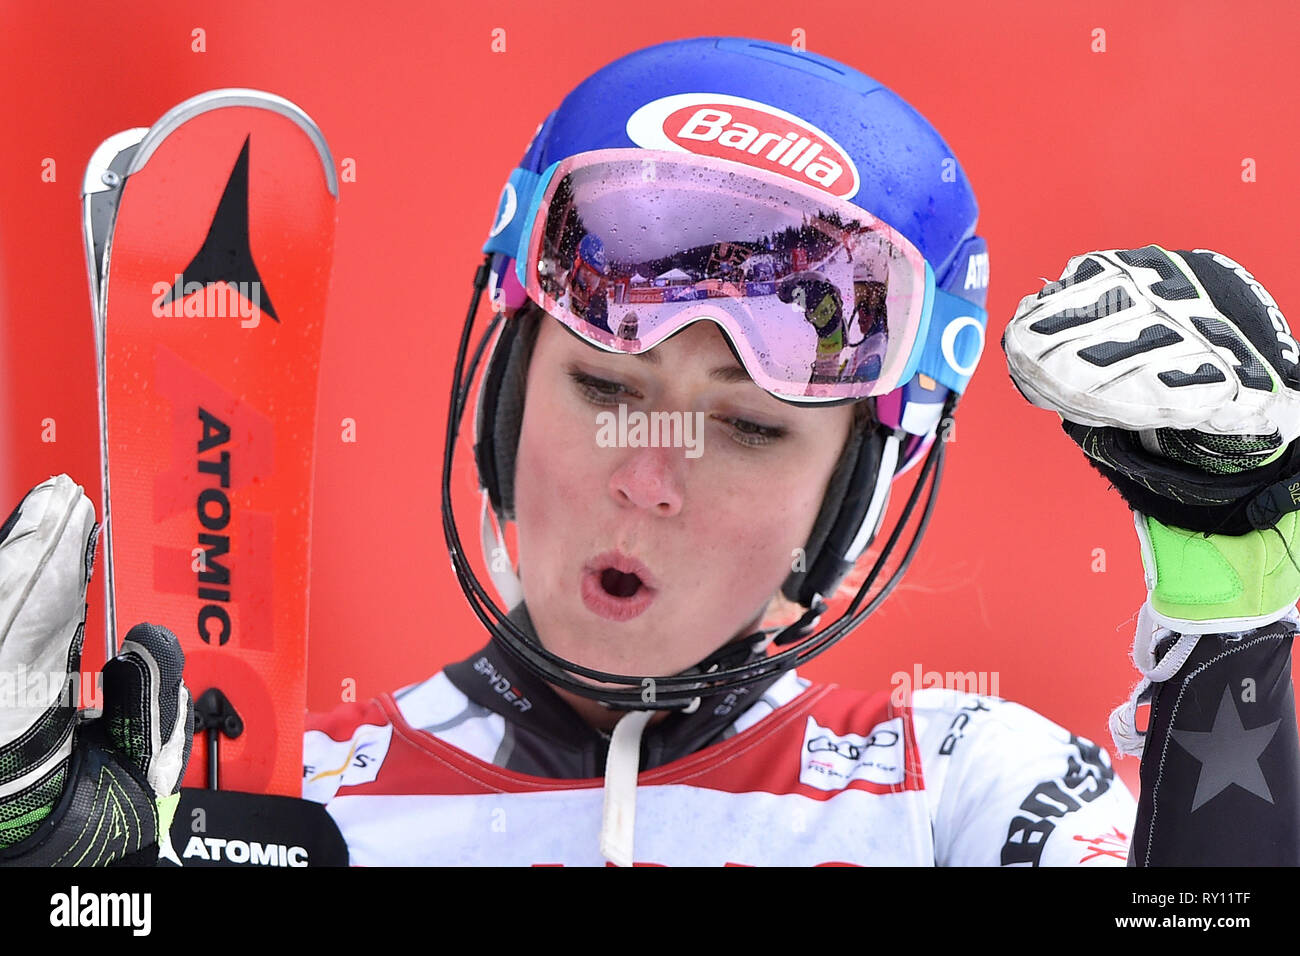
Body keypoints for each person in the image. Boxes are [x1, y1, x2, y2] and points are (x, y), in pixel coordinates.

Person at [2, 36, 1299, 867]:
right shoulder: (288, 805)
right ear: (504, 402)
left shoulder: (961, 790)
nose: (646, 474)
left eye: (744, 428)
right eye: (604, 386)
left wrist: (1230, 604)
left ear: (856, 493)